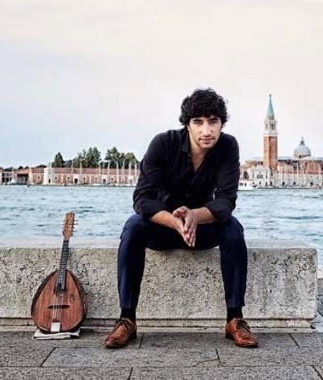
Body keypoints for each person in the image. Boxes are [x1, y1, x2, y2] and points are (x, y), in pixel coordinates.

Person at [104, 88, 257, 349]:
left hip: (202, 229)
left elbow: (225, 201)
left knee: (233, 229)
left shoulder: (228, 146)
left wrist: (195, 216)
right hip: (164, 227)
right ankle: (127, 318)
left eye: (213, 121)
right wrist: (175, 220)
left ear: (221, 123)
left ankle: (235, 319)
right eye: (198, 122)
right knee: (132, 226)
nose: (206, 130)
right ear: (187, 124)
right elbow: (142, 198)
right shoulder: (163, 144)